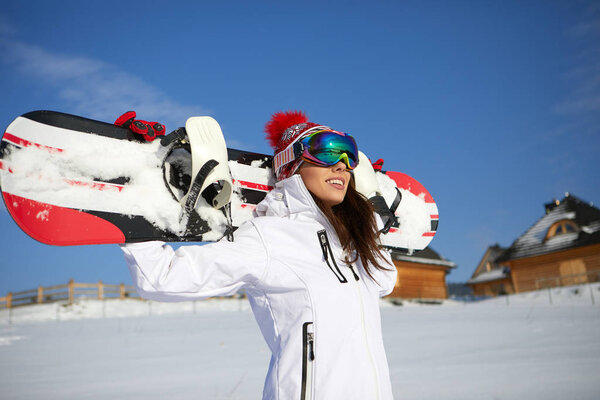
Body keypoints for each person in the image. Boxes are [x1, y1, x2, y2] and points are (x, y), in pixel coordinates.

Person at [120, 110, 398, 400]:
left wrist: (370, 219)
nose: (341, 166)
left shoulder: (352, 242)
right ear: (292, 163)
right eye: (327, 151)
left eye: (349, 156)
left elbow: (385, 279)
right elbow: (162, 279)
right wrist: (140, 192)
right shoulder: (269, 237)